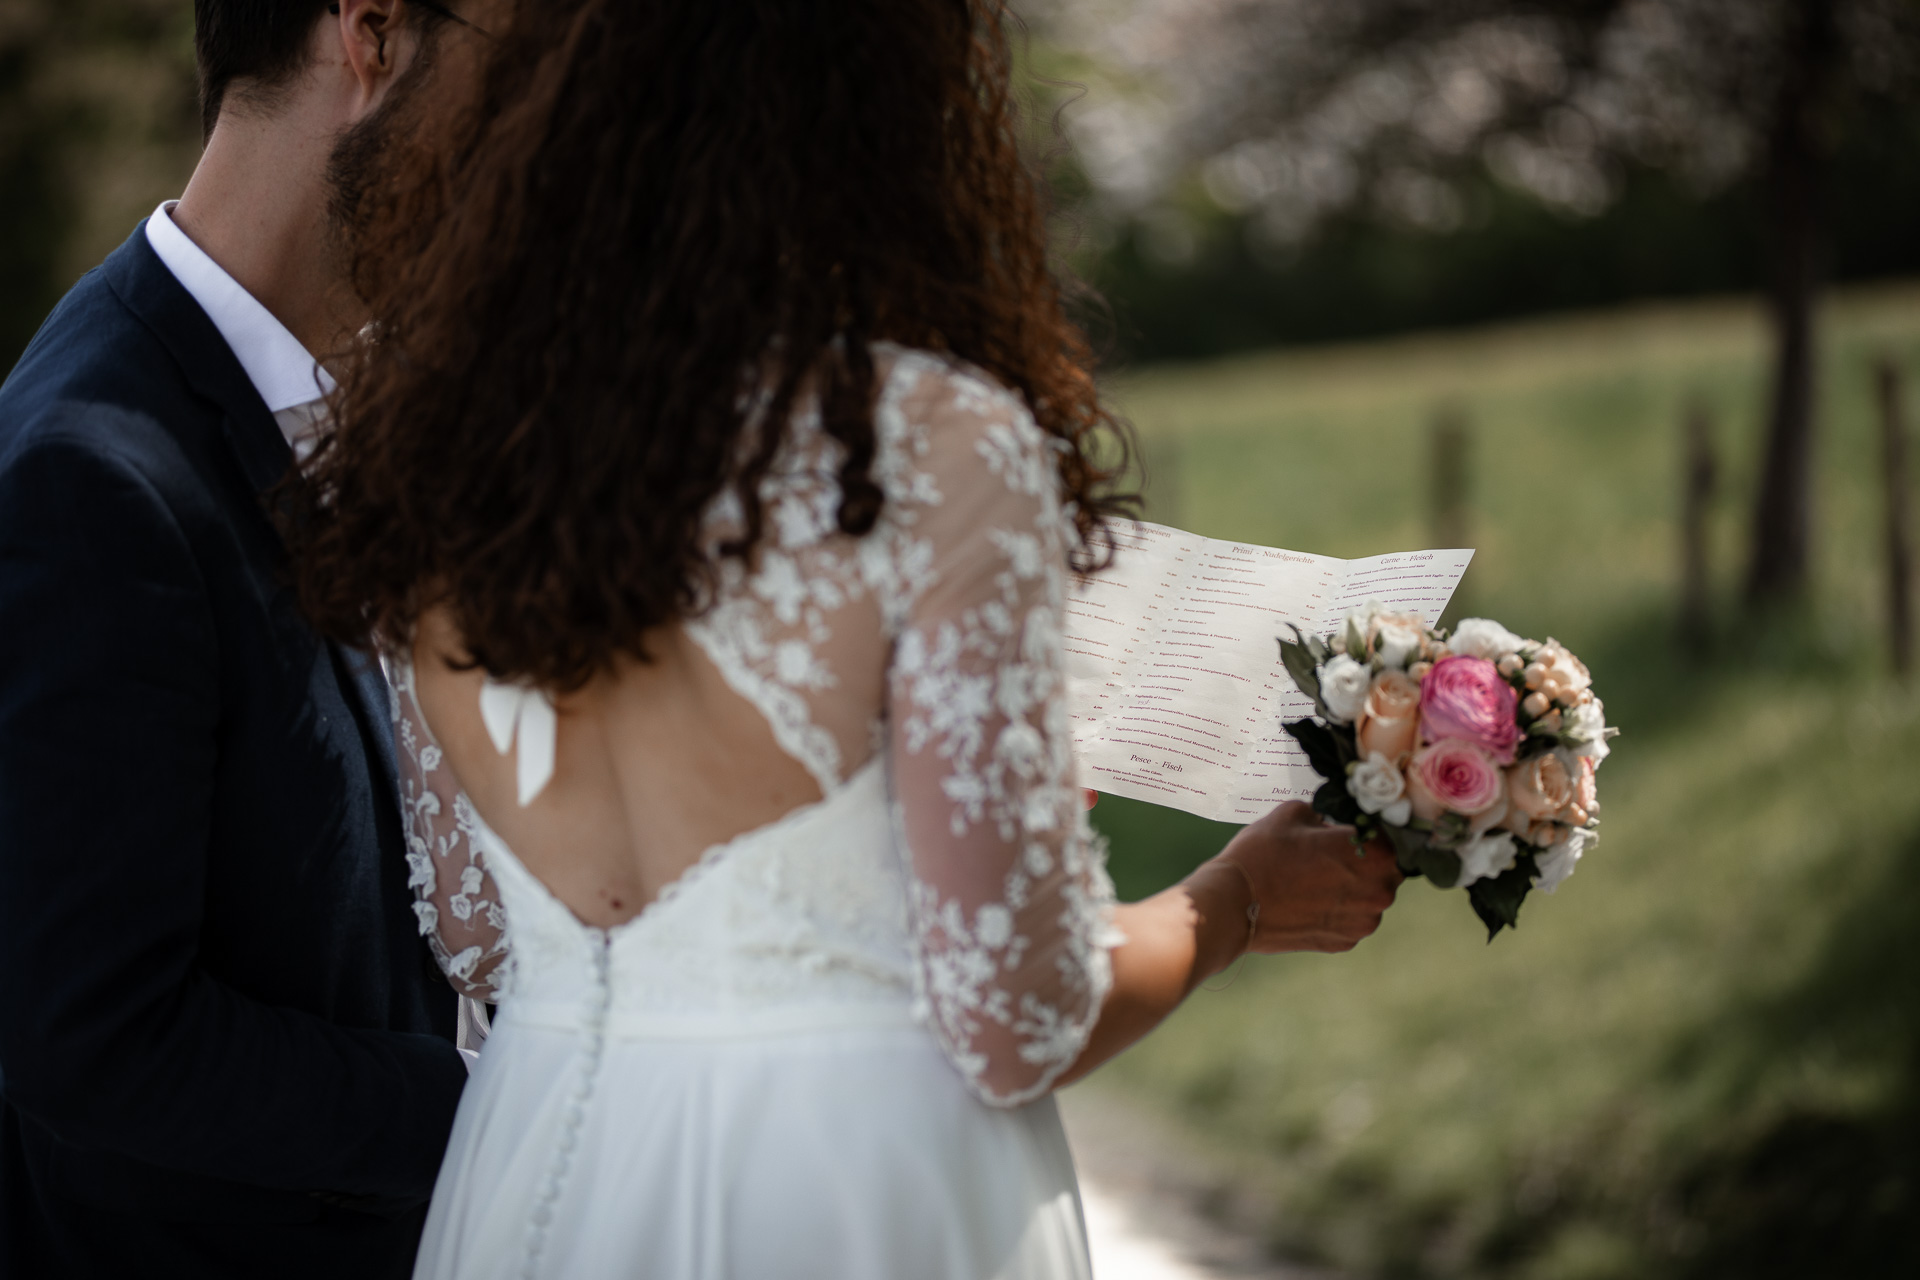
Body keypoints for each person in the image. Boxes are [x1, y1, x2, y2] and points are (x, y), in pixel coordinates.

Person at [289, 2, 1406, 1277]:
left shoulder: (443, 452)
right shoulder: (925, 442)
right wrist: (1240, 898)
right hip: (852, 1185)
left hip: (542, 1166)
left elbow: (485, 930)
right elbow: (1018, 1015)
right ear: (889, 117)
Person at [0, 4, 496, 1276]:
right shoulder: (91, 472)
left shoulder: (369, 393)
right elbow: (98, 1037)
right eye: (517, 72)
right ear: (373, 35)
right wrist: (509, 1110)